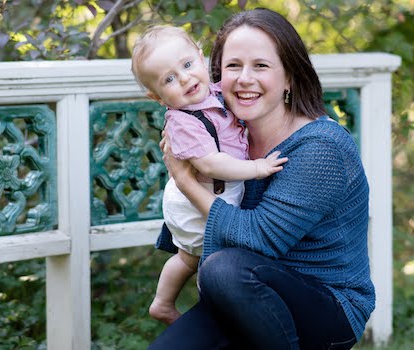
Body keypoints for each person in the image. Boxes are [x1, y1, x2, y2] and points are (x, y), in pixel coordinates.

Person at [149, 8, 374, 350]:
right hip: (240, 290)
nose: (244, 79)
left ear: (289, 77)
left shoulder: (321, 148)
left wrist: (187, 184)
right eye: (233, 66)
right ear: (217, 75)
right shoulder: (224, 141)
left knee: (222, 270)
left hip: (327, 303)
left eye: (261, 66)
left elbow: (260, 239)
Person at [130, 25, 289, 325]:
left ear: (201, 59)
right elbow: (211, 164)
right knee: (203, 257)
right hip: (195, 200)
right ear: (157, 96)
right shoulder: (182, 121)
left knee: (204, 256)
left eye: (188, 65)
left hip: (216, 191)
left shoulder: (213, 93)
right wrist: (257, 168)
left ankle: (199, 308)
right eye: (170, 79)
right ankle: (176, 305)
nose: (186, 78)